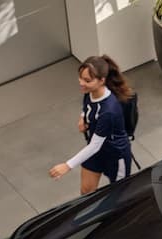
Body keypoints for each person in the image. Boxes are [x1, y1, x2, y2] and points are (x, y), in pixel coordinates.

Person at [48, 55, 135, 195]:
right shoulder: (89, 91)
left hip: (115, 155)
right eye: (80, 78)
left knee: (119, 195)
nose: (81, 83)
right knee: (86, 192)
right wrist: (83, 117)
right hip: (96, 152)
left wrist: (67, 166)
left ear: (102, 81)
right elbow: (88, 105)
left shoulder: (109, 111)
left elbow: (95, 145)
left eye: (87, 80)